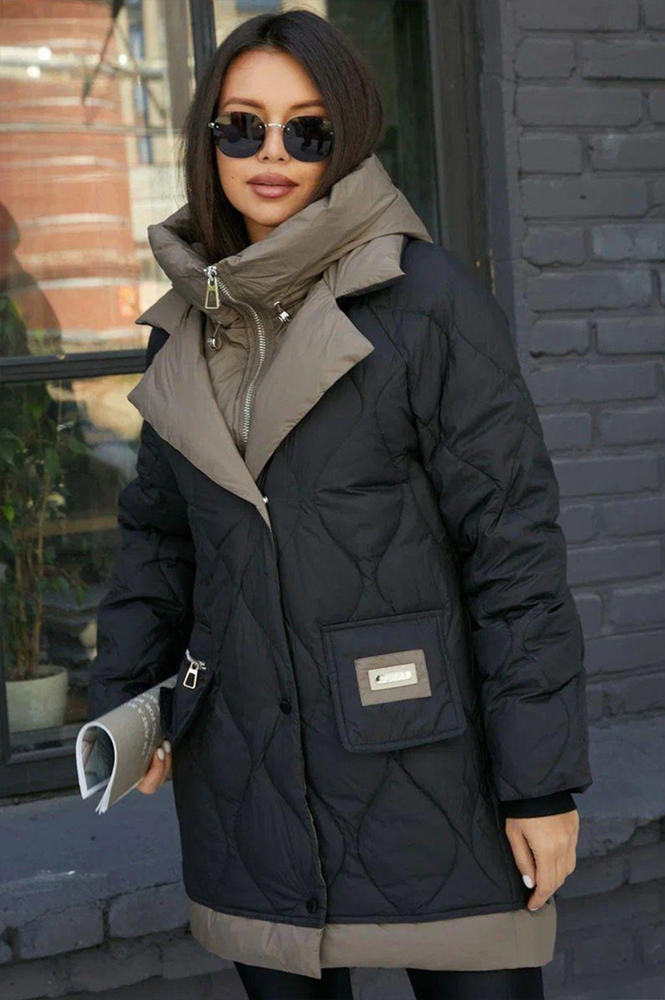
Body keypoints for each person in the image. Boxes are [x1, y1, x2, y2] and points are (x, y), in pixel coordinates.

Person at [87, 8, 592, 1000]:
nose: (271, 153)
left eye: (305, 129)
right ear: (208, 141)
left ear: (345, 138)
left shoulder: (428, 300)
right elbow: (160, 534)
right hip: (250, 771)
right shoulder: (183, 325)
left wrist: (539, 783)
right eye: (243, 127)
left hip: (434, 768)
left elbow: (512, 549)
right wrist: (131, 693)